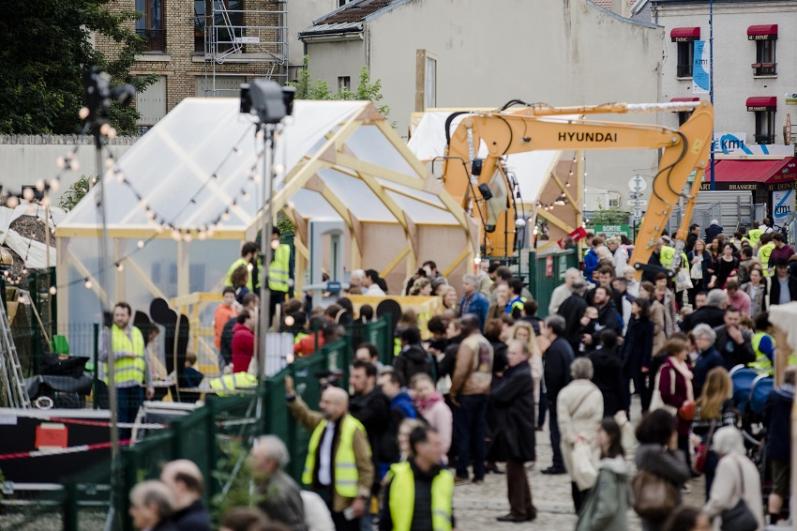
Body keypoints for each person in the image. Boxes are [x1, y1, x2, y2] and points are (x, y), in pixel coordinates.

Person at [285, 377, 374, 531]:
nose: (321, 406)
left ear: (341, 406)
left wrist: (361, 497)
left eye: (327, 403)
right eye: (322, 401)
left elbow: (365, 466)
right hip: (321, 492)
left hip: (343, 500)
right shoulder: (324, 424)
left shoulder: (353, 430)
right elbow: (306, 416)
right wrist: (292, 397)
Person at [488, 339, 537, 523]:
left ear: (524, 355)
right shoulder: (517, 371)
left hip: (516, 428)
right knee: (517, 469)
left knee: (514, 471)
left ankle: (518, 510)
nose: (509, 356)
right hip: (515, 426)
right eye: (509, 352)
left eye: (513, 353)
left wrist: (495, 384)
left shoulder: (520, 374)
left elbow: (498, 395)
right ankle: (527, 507)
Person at [378, 426, 455, 531]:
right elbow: (386, 519)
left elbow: (449, 514)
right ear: (419, 447)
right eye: (436, 445)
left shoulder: (445, 477)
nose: (440, 449)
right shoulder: (398, 475)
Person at [449, 314, 493, 483]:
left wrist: (454, 390)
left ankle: (462, 471)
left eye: (463, 325)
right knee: (478, 432)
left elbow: (461, 371)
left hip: (468, 392)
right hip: (484, 390)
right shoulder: (485, 343)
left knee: (464, 433)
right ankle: (479, 472)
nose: (461, 328)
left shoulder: (468, 344)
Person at [99, 302, 153, 436]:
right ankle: (122, 452)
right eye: (116, 315)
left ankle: (129, 449)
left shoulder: (137, 332)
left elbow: (145, 360)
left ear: (129, 316)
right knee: (121, 422)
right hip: (118, 386)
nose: (119, 318)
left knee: (134, 421)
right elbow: (101, 355)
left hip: (136, 385)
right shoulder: (107, 332)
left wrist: (150, 384)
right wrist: (123, 353)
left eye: (122, 315)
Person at [557, 357, 603, 512]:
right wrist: (586, 436)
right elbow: (597, 419)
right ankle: (589, 507)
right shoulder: (596, 393)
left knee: (575, 476)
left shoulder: (564, 393)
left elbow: (563, 419)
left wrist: (572, 437)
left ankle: (578, 509)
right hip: (589, 439)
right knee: (588, 473)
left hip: (571, 440)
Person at [633, 410, 691, 531]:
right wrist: (674, 449)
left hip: (653, 506)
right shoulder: (654, 452)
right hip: (661, 508)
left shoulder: (643, 449)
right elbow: (683, 474)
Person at [703, 426, 764, 530]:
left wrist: (703, 514)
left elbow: (719, 500)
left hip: (735, 522)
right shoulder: (748, 463)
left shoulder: (726, 463)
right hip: (752, 521)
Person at [575, 418, 631, 531]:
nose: (597, 434)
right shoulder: (621, 464)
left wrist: (591, 526)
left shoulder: (608, 471)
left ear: (611, 436)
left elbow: (607, 508)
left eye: (600, 431)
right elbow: (629, 499)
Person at [691, 367, 736, 499]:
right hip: (721, 452)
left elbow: (695, 428)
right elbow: (730, 428)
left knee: (710, 490)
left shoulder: (700, 403)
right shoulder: (726, 403)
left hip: (705, 451)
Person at [248, 435, 307, 530]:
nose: (249, 461)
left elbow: (293, 525)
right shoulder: (267, 483)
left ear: (270, 463)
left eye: (254, 457)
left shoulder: (277, 492)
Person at [348, 360, 391, 488]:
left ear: (371, 378)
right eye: (352, 376)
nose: (352, 381)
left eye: (357, 377)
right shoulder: (356, 399)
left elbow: (359, 420)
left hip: (374, 465)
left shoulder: (378, 402)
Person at [541, 315, 575, 475]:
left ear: (551, 329)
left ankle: (558, 463)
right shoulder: (562, 345)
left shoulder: (555, 348)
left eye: (545, 327)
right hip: (563, 394)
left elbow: (554, 375)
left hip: (558, 397)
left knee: (556, 431)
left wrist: (551, 397)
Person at [655, 339, 694, 466]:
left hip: (686, 410)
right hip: (675, 411)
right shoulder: (667, 369)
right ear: (676, 353)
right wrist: (681, 403)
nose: (687, 354)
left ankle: (686, 464)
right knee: (676, 439)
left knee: (684, 438)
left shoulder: (685, 367)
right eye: (684, 351)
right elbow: (665, 393)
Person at [764, 366, 795, 525]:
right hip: (793, 445)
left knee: (777, 486)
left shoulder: (774, 395)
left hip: (777, 445)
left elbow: (766, 418)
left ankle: (773, 521)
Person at [379, 370, 418, 464]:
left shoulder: (398, 407)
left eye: (383, 386)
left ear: (396, 384)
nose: (380, 390)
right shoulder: (406, 403)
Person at [623, 298, 654, 413]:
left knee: (641, 386)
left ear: (640, 308)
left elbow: (648, 345)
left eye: (634, 305)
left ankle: (645, 409)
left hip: (639, 359)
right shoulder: (632, 320)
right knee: (624, 386)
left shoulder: (648, 324)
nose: (632, 306)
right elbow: (627, 339)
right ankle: (625, 409)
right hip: (627, 357)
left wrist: (645, 363)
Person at [410, 373, 452, 460]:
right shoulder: (418, 407)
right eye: (420, 390)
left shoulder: (440, 408)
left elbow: (445, 438)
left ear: (433, 387)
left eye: (426, 388)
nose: (424, 392)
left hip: (435, 457)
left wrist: (437, 454)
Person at [160, 460, 211, 531]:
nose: (160, 490)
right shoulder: (183, 519)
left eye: (164, 484)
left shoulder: (191, 525)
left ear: (180, 486)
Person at [588, 329, 625, 417]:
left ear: (602, 341)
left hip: (594, 393)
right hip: (611, 397)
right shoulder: (616, 361)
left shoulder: (592, 356)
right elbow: (619, 383)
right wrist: (624, 405)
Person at [713, 306, 755, 370]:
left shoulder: (746, 334)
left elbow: (751, 358)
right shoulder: (716, 333)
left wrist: (741, 342)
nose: (732, 322)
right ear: (725, 318)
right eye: (730, 319)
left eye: (735, 319)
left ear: (740, 319)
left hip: (739, 371)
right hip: (721, 370)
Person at [558, 280, 589, 352]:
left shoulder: (565, 302)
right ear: (583, 289)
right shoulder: (582, 303)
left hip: (564, 338)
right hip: (576, 340)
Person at [214, 287, 239, 351]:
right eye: (226, 297)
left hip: (229, 344)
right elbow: (220, 330)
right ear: (223, 298)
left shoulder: (234, 310)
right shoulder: (221, 311)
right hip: (224, 346)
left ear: (234, 298)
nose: (229, 299)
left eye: (231, 297)